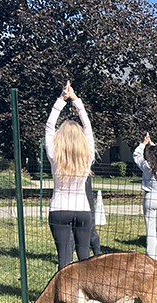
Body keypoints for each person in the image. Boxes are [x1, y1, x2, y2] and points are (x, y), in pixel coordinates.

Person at [45, 81, 95, 270]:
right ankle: (85, 297)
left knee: (64, 260)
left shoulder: (54, 154)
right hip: (82, 209)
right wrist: (75, 100)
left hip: (59, 209)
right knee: (84, 259)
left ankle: (62, 297)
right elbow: (88, 127)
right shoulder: (88, 154)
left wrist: (61, 100)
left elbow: (49, 126)